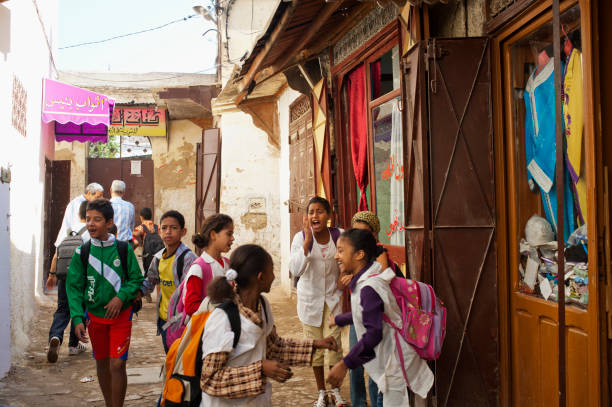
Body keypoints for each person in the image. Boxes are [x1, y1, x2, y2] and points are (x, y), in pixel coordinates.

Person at [200, 244, 339, 406]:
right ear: (261, 277)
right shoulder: (223, 319)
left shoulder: (262, 305)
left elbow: (274, 347)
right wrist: (260, 370)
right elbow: (210, 380)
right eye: (271, 271)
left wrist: (316, 344)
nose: (274, 277)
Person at [327, 229, 434, 406]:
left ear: (359, 254)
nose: (336, 256)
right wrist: (339, 320)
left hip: (394, 363)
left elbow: (373, 333)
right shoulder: (368, 281)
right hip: (391, 361)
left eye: (341, 250)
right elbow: (365, 314)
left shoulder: (369, 287)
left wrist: (344, 364)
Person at [66, 199, 144, 407]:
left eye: (97, 220)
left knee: (117, 364)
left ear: (109, 223)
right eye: (88, 219)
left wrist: (121, 298)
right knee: (101, 363)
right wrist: (76, 317)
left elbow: (136, 279)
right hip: (95, 318)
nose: (91, 224)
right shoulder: (81, 253)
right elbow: (73, 288)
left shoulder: (123, 250)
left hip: (121, 317)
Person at [289, 196, 347, 407]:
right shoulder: (299, 239)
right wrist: (306, 243)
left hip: (332, 301)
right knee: (314, 350)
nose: (315, 215)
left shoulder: (339, 236)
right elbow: (295, 270)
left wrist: (343, 279)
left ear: (328, 216)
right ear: (306, 217)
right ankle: (321, 392)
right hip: (309, 301)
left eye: (320, 211)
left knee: (334, 347)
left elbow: (347, 261)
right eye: (311, 212)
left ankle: (336, 391)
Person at [139, 210, 197, 353]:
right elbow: (149, 282)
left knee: (181, 364)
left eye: (174, 228)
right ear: (159, 231)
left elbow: (190, 293)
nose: (168, 232)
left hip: (182, 321)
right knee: (171, 360)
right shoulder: (158, 258)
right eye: (164, 228)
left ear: (183, 232)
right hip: (165, 320)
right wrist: (134, 293)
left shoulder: (188, 259)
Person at [46, 200, 90, 363]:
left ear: (78, 214)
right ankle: (73, 345)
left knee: (63, 308)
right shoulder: (90, 232)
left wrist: (52, 275)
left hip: (66, 276)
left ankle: (56, 336)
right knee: (80, 308)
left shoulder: (69, 230)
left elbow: (58, 254)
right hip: (83, 277)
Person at [183, 213, 234, 317]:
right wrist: (219, 308)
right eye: (229, 234)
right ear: (213, 235)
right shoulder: (198, 268)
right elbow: (190, 307)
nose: (232, 238)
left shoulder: (228, 264)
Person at [54, 183, 103, 248]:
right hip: (70, 242)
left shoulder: (84, 202)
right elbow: (78, 226)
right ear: (89, 193)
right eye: (97, 197)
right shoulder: (78, 204)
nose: (100, 199)